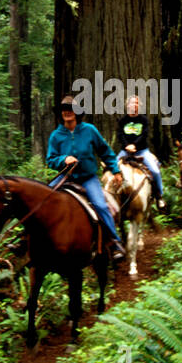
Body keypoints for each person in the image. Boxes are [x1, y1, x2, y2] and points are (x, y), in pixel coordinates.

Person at [47, 95, 126, 260]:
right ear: (61, 113)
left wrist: (115, 170)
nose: (67, 112)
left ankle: (114, 242)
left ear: (77, 112)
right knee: (44, 199)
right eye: (64, 110)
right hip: (66, 178)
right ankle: (28, 241)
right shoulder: (56, 135)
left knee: (100, 205)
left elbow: (105, 152)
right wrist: (63, 159)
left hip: (87, 178)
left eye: (71, 109)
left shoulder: (89, 130)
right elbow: (50, 160)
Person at [116, 95, 166, 211]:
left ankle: (159, 196)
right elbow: (120, 135)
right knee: (111, 168)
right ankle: (110, 196)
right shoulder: (123, 120)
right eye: (132, 103)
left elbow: (144, 134)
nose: (134, 106)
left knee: (155, 170)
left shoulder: (143, 120)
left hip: (142, 151)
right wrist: (127, 146)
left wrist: (135, 145)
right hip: (125, 151)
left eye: (136, 103)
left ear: (139, 106)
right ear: (127, 105)